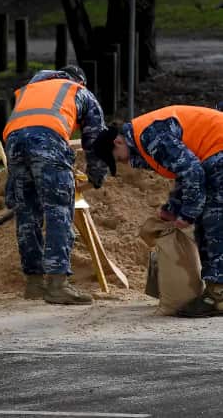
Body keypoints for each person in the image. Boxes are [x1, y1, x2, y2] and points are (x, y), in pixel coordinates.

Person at [92, 105, 223, 317]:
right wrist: (172, 209)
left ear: (118, 142)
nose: (124, 163)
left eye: (117, 158)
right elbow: (184, 174)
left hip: (218, 152)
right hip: (214, 154)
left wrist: (187, 214)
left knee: (213, 223)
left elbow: (193, 173)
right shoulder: (144, 139)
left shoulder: (151, 137)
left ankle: (218, 295)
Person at [3, 66, 109, 305]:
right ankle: (58, 284)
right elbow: (96, 138)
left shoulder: (30, 90)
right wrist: (96, 175)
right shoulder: (77, 90)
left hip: (13, 143)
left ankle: (34, 283)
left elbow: (24, 126)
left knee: (27, 212)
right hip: (47, 141)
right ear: (79, 81)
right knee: (58, 210)